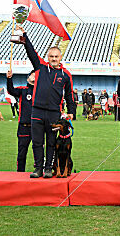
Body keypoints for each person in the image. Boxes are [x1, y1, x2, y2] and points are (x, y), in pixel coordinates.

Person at [17, 25, 74, 179]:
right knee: (37, 142)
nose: (54, 59)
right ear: (48, 57)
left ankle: (49, 168)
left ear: (60, 57)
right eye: (51, 56)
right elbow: (31, 52)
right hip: (37, 111)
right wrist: (24, 35)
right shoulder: (40, 67)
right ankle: (38, 169)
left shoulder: (66, 75)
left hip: (54, 113)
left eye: (56, 56)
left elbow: (69, 96)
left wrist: (71, 112)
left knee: (50, 142)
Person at [6, 69, 35, 172]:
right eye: (32, 74)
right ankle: (20, 174)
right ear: (28, 78)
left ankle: (39, 171)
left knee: (39, 153)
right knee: (22, 153)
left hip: (37, 127)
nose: (35, 75)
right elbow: (11, 90)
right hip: (24, 126)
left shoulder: (41, 91)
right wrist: (9, 78)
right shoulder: (23, 90)